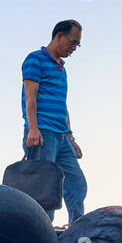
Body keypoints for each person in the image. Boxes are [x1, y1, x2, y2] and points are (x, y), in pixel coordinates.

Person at [22, 20, 87, 223]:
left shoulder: (62, 69)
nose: (74, 48)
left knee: (77, 183)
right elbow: (30, 96)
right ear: (59, 36)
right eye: (73, 42)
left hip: (62, 137)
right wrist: (33, 128)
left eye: (77, 45)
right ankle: (41, 232)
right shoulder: (35, 59)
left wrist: (71, 137)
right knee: (44, 189)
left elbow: (62, 104)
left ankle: (77, 228)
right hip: (42, 133)